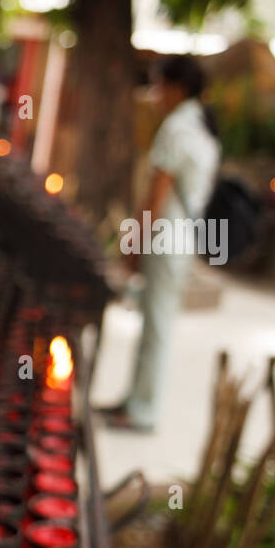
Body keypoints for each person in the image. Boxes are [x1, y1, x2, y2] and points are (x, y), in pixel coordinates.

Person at [100, 54, 221, 432]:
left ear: (177, 89)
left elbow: (155, 196)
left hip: (167, 238)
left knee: (157, 326)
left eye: (158, 86)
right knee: (154, 322)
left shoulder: (176, 128)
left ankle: (143, 410)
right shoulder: (200, 125)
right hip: (180, 237)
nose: (154, 96)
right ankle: (136, 400)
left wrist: (132, 244)